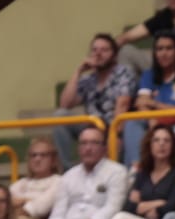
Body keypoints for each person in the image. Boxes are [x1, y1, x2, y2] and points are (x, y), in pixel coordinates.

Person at [46, 127, 130, 219]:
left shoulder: (117, 172)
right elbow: (57, 214)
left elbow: (112, 208)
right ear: (78, 148)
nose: (88, 148)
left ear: (104, 148)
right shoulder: (68, 176)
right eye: (83, 143)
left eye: (94, 143)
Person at [53, 33, 137, 166]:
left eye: (104, 50)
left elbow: (123, 105)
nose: (98, 54)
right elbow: (65, 104)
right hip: (91, 128)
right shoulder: (88, 79)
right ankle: (68, 169)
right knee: (60, 116)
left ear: (114, 55)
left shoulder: (123, 72)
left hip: (114, 129)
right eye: (95, 50)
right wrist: (78, 71)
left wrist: (113, 136)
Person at [124, 31, 175, 167]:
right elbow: (142, 104)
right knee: (132, 122)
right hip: (154, 123)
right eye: (159, 49)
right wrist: (152, 121)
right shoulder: (149, 75)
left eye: (168, 48)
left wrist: (154, 104)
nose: (163, 53)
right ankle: (136, 169)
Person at [9, 136, 63, 219]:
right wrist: (29, 200)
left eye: (43, 155)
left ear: (53, 160)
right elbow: (5, 202)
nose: (37, 159)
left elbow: (40, 208)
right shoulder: (21, 183)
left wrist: (21, 201)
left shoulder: (59, 181)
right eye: (33, 155)